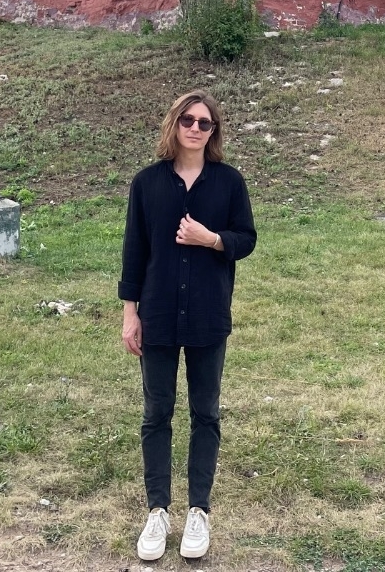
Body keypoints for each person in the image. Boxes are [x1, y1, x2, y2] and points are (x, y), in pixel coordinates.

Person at [119, 89, 257, 561]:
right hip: (157, 314)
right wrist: (130, 313)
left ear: (213, 131)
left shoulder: (229, 182)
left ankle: (199, 510)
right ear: (174, 123)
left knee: (206, 413)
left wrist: (211, 239)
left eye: (205, 123)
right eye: (188, 120)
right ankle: (157, 511)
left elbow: (246, 238)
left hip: (207, 314)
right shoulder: (147, 183)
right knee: (157, 413)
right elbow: (134, 251)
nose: (196, 129)